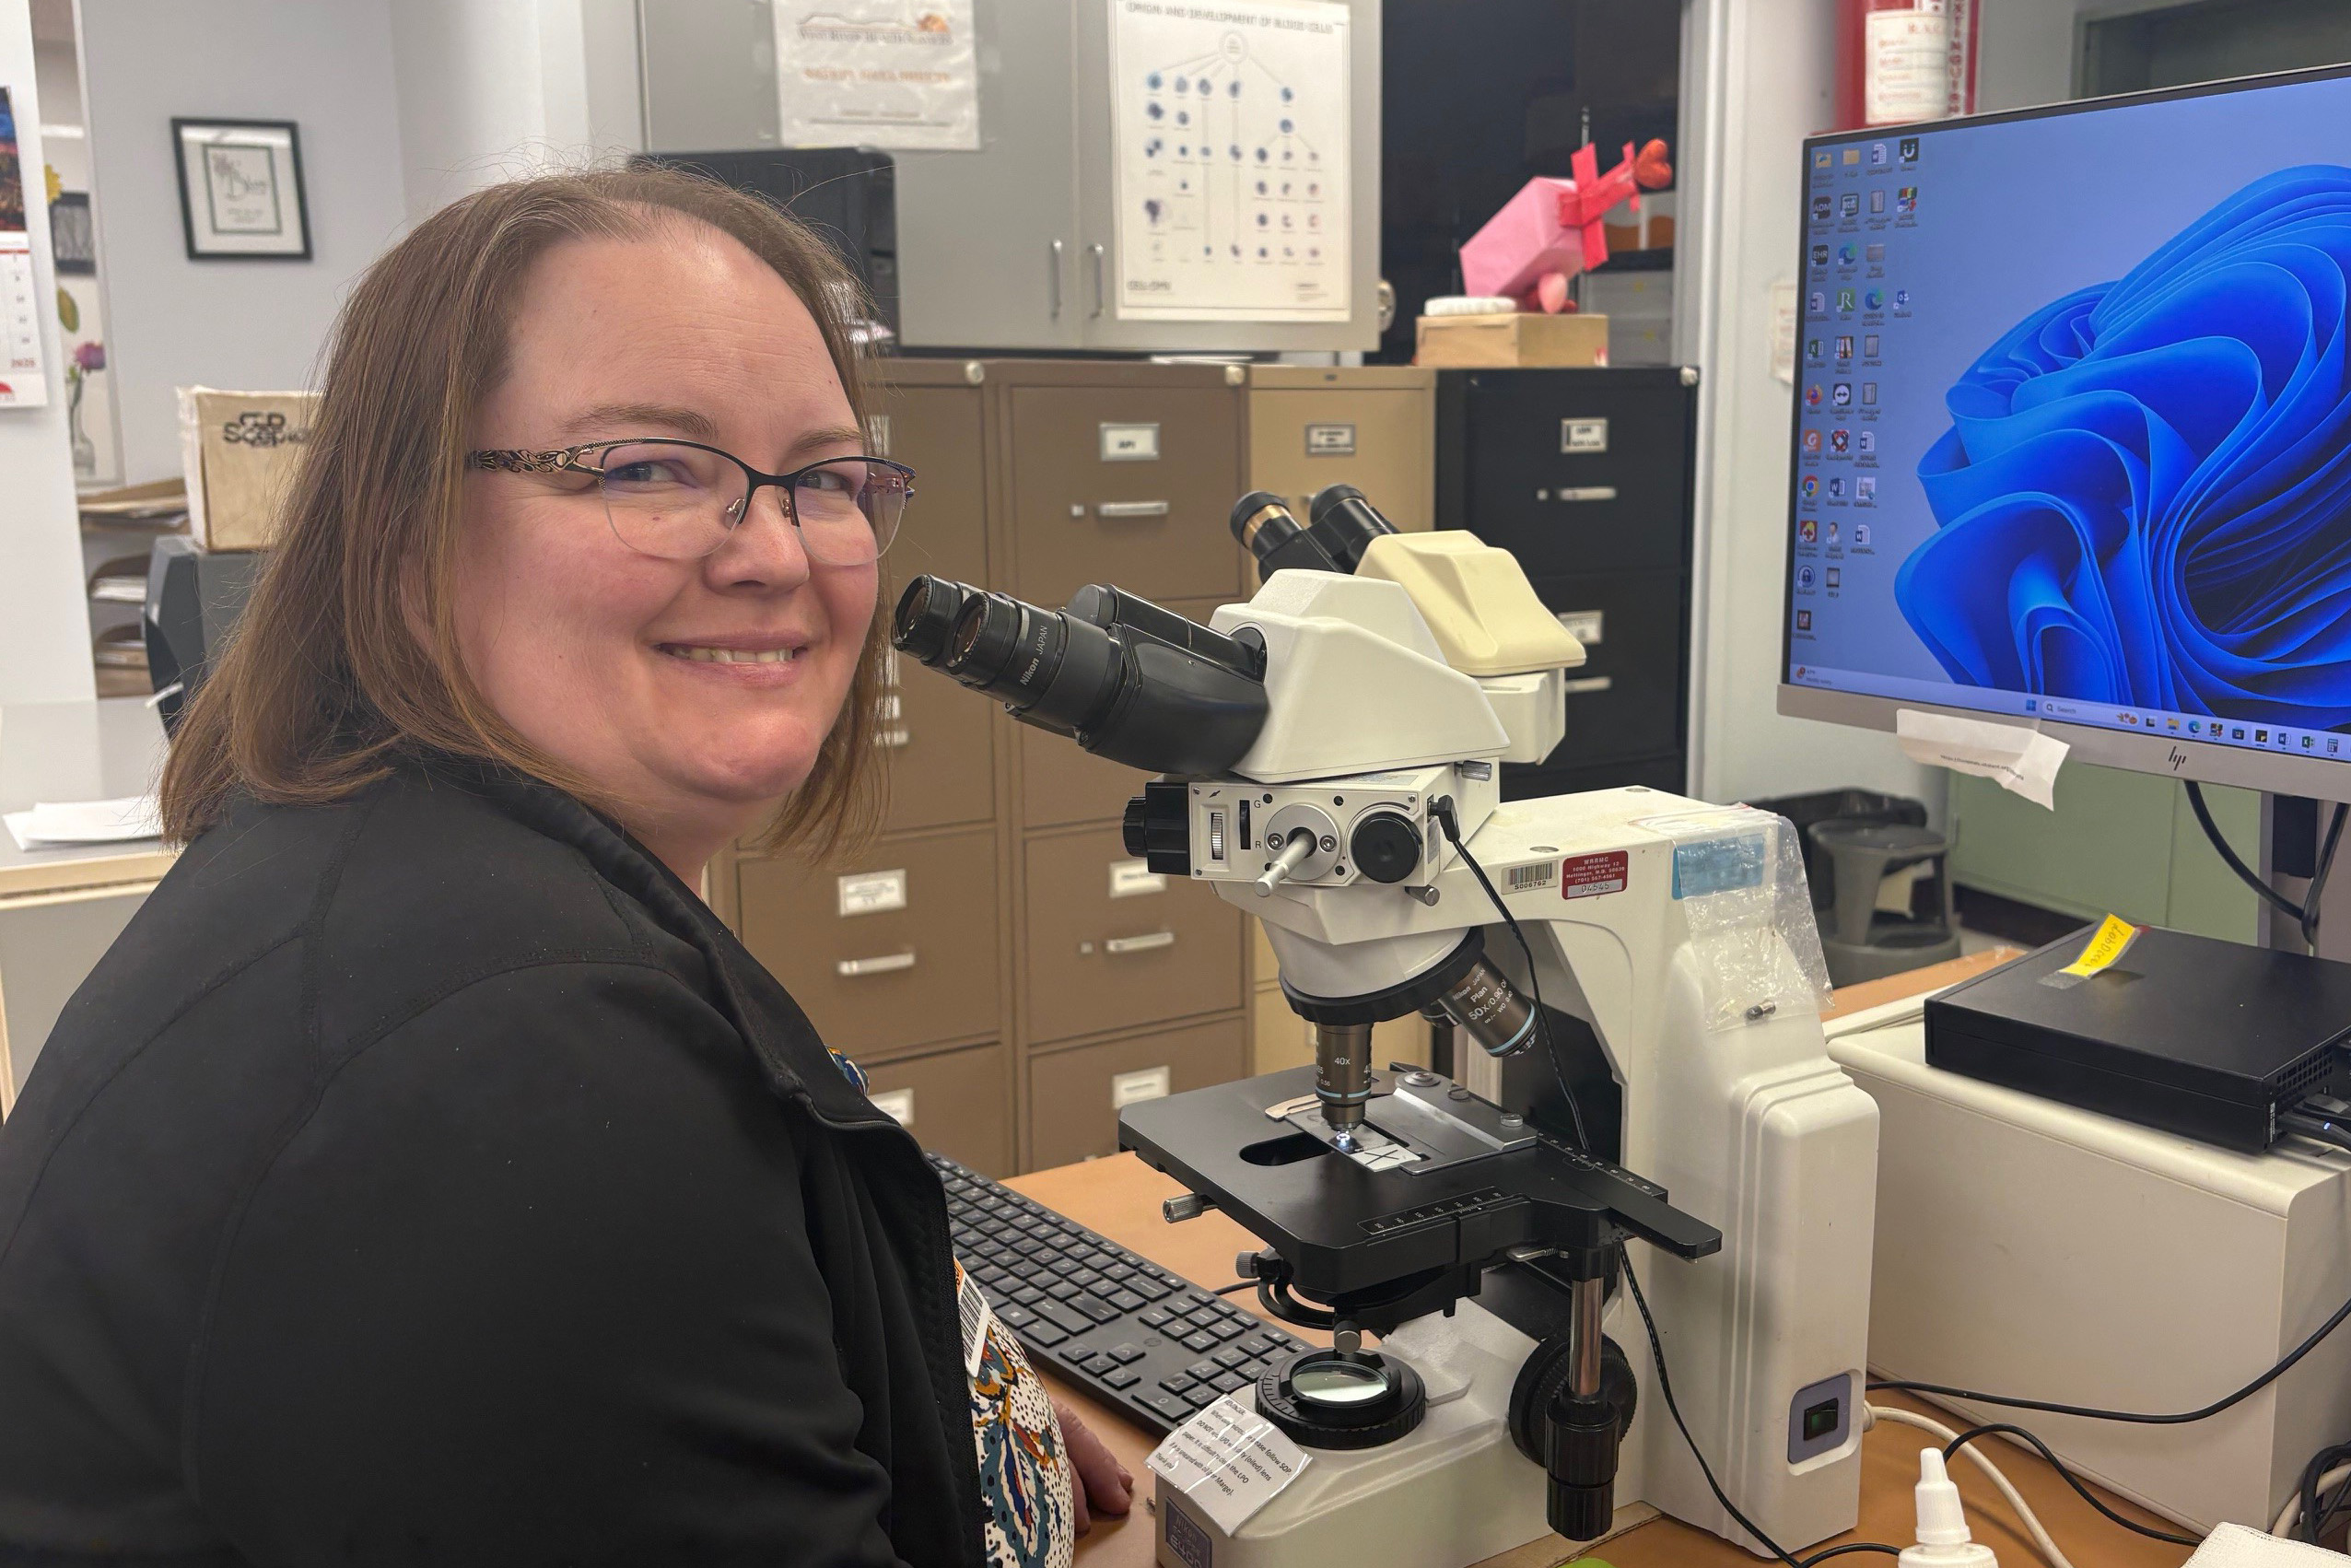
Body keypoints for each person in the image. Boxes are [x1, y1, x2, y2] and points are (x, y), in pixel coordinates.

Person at [0, 167, 1132, 1567]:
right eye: (650, 466)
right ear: (405, 528)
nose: (777, 550)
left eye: (825, 480)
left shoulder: (408, 869)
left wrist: (939, 1413)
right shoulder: (507, 1062)